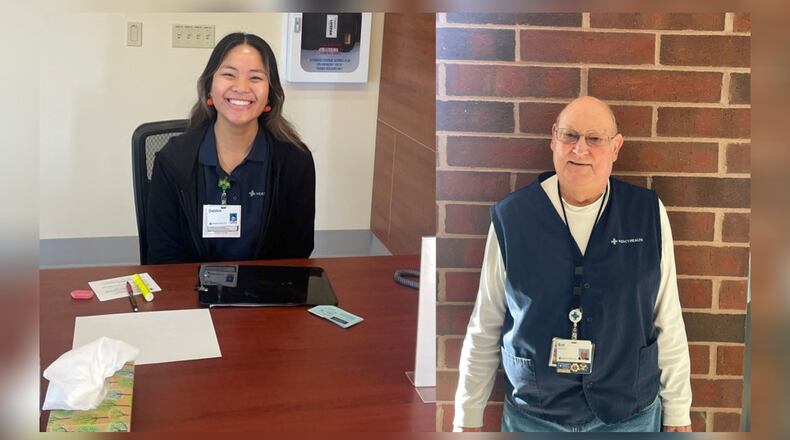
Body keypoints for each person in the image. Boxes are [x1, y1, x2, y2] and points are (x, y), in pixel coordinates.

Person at [453, 96, 692, 432]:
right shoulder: (513, 217)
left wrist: (679, 412)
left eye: (595, 139)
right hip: (534, 417)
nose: (580, 149)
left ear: (615, 148)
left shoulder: (647, 213)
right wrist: (467, 417)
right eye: (570, 136)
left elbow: (667, 316)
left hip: (628, 416)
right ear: (553, 139)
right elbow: (487, 321)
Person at [146, 32, 315, 264]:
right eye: (229, 74)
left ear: (270, 97)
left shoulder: (295, 162)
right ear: (209, 89)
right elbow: (162, 254)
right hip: (192, 292)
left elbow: (297, 251)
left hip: (265, 293)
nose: (241, 87)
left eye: (255, 78)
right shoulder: (173, 161)